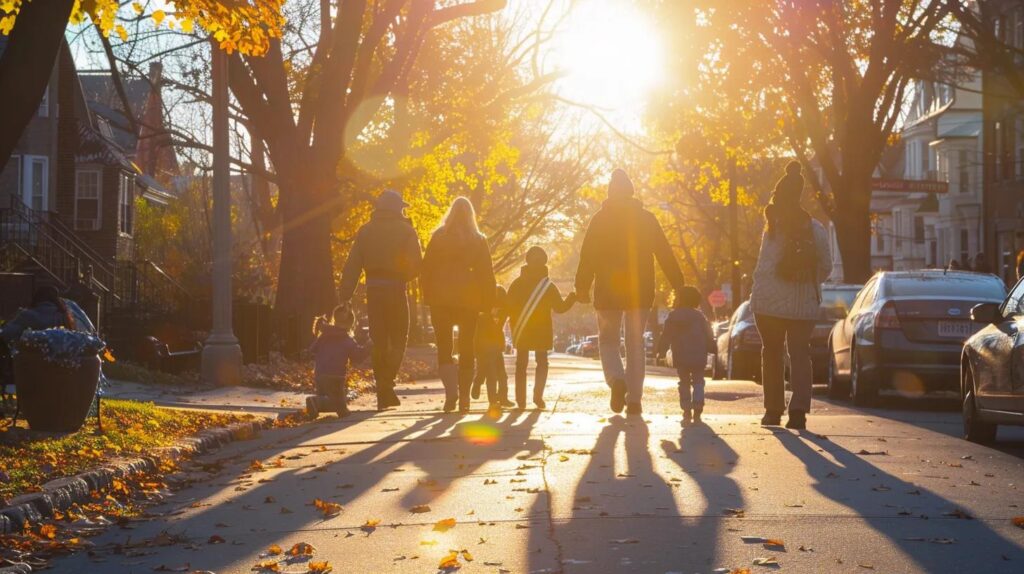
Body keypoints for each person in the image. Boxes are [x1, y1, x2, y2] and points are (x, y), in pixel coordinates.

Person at [574, 169, 685, 416]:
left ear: (610, 192)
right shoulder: (646, 219)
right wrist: (679, 283)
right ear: (631, 192)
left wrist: (581, 287)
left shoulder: (599, 220)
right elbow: (665, 253)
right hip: (640, 289)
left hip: (608, 291)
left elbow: (587, 257)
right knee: (635, 344)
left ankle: (616, 380)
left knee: (608, 340)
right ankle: (634, 400)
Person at [749, 161, 832, 430]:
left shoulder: (771, 228)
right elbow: (826, 266)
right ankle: (798, 411)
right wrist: (806, 282)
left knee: (771, 353)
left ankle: (772, 410)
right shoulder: (816, 229)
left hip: (768, 305)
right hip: (802, 304)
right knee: (799, 353)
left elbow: (763, 266)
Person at [338, 189, 423, 411]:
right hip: (396, 289)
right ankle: (387, 384)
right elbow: (416, 264)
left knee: (379, 340)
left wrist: (345, 294)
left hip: (374, 291)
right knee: (399, 338)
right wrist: (404, 275)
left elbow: (353, 265)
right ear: (396, 208)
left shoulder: (365, 232)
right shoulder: (406, 231)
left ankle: (382, 388)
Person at [422, 197, 497, 413]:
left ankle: (450, 394)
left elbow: (426, 268)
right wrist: (488, 302)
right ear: (471, 215)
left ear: (451, 213)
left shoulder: (438, 237)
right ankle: (464, 397)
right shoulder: (478, 239)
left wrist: (427, 296)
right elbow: (486, 274)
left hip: (441, 298)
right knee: (467, 347)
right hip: (469, 300)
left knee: (444, 346)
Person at [506, 247, 575, 410]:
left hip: (522, 327)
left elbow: (508, 306)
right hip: (542, 329)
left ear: (526, 261)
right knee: (542, 362)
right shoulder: (548, 286)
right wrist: (573, 296)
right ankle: (538, 398)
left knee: (521, 364)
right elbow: (560, 307)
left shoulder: (517, 283)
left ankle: (521, 401)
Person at [656, 286, 715, 426]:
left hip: (681, 354)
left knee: (684, 382)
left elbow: (666, 335)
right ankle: (698, 406)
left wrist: (661, 350)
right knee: (699, 381)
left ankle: (686, 408)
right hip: (699, 354)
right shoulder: (699, 316)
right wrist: (711, 347)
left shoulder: (673, 316)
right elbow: (708, 334)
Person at [306, 303, 369, 418]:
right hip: (336, 376)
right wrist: (369, 347)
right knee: (342, 409)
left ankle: (318, 402)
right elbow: (357, 357)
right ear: (350, 325)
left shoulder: (324, 335)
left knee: (327, 397)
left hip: (319, 374)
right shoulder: (347, 340)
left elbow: (312, 350)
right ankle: (316, 401)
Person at [1, 285, 96, 344]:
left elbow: (6, 333)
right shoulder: (67, 314)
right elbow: (90, 330)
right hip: (68, 363)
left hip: (34, 364)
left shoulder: (28, 315)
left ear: (36, 298)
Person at [472, 286, 511, 414]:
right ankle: (492, 401)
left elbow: (499, 328)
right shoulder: (482, 312)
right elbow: (479, 331)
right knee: (490, 374)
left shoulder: (502, 313)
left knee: (501, 374)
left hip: (495, 346)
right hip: (483, 346)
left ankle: (503, 397)